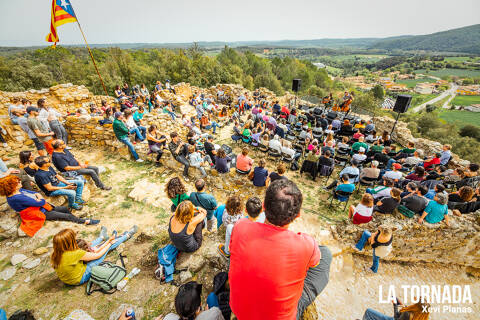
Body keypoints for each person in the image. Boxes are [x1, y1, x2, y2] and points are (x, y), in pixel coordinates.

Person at [229, 179, 332, 320]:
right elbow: (314, 263)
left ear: (263, 206)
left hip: (239, 310)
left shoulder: (240, 226)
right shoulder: (306, 244)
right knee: (325, 253)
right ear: (298, 215)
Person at [0, 175, 99, 237]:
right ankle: (86, 221)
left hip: (41, 208)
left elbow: (33, 194)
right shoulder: (16, 198)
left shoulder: (19, 191)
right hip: (38, 213)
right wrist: (39, 198)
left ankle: (74, 219)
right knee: (66, 216)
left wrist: (38, 197)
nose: (20, 182)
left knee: (64, 209)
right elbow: (39, 202)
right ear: (11, 186)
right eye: (17, 182)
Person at [51, 226, 137, 285]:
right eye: (73, 238)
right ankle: (127, 235)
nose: (75, 239)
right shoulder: (75, 254)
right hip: (79, 278)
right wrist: (109, 244)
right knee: (106, 247)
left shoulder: (56, 253)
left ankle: (103, 237)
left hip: (67, 279)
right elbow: (98, 255)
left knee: (91, 247)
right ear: (69, 242)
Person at [362, 300, 431, 320]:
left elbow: (396, 317)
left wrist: (395, 305)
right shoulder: (422, 317)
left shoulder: (408, 314)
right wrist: (403, 305)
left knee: (368, 312)